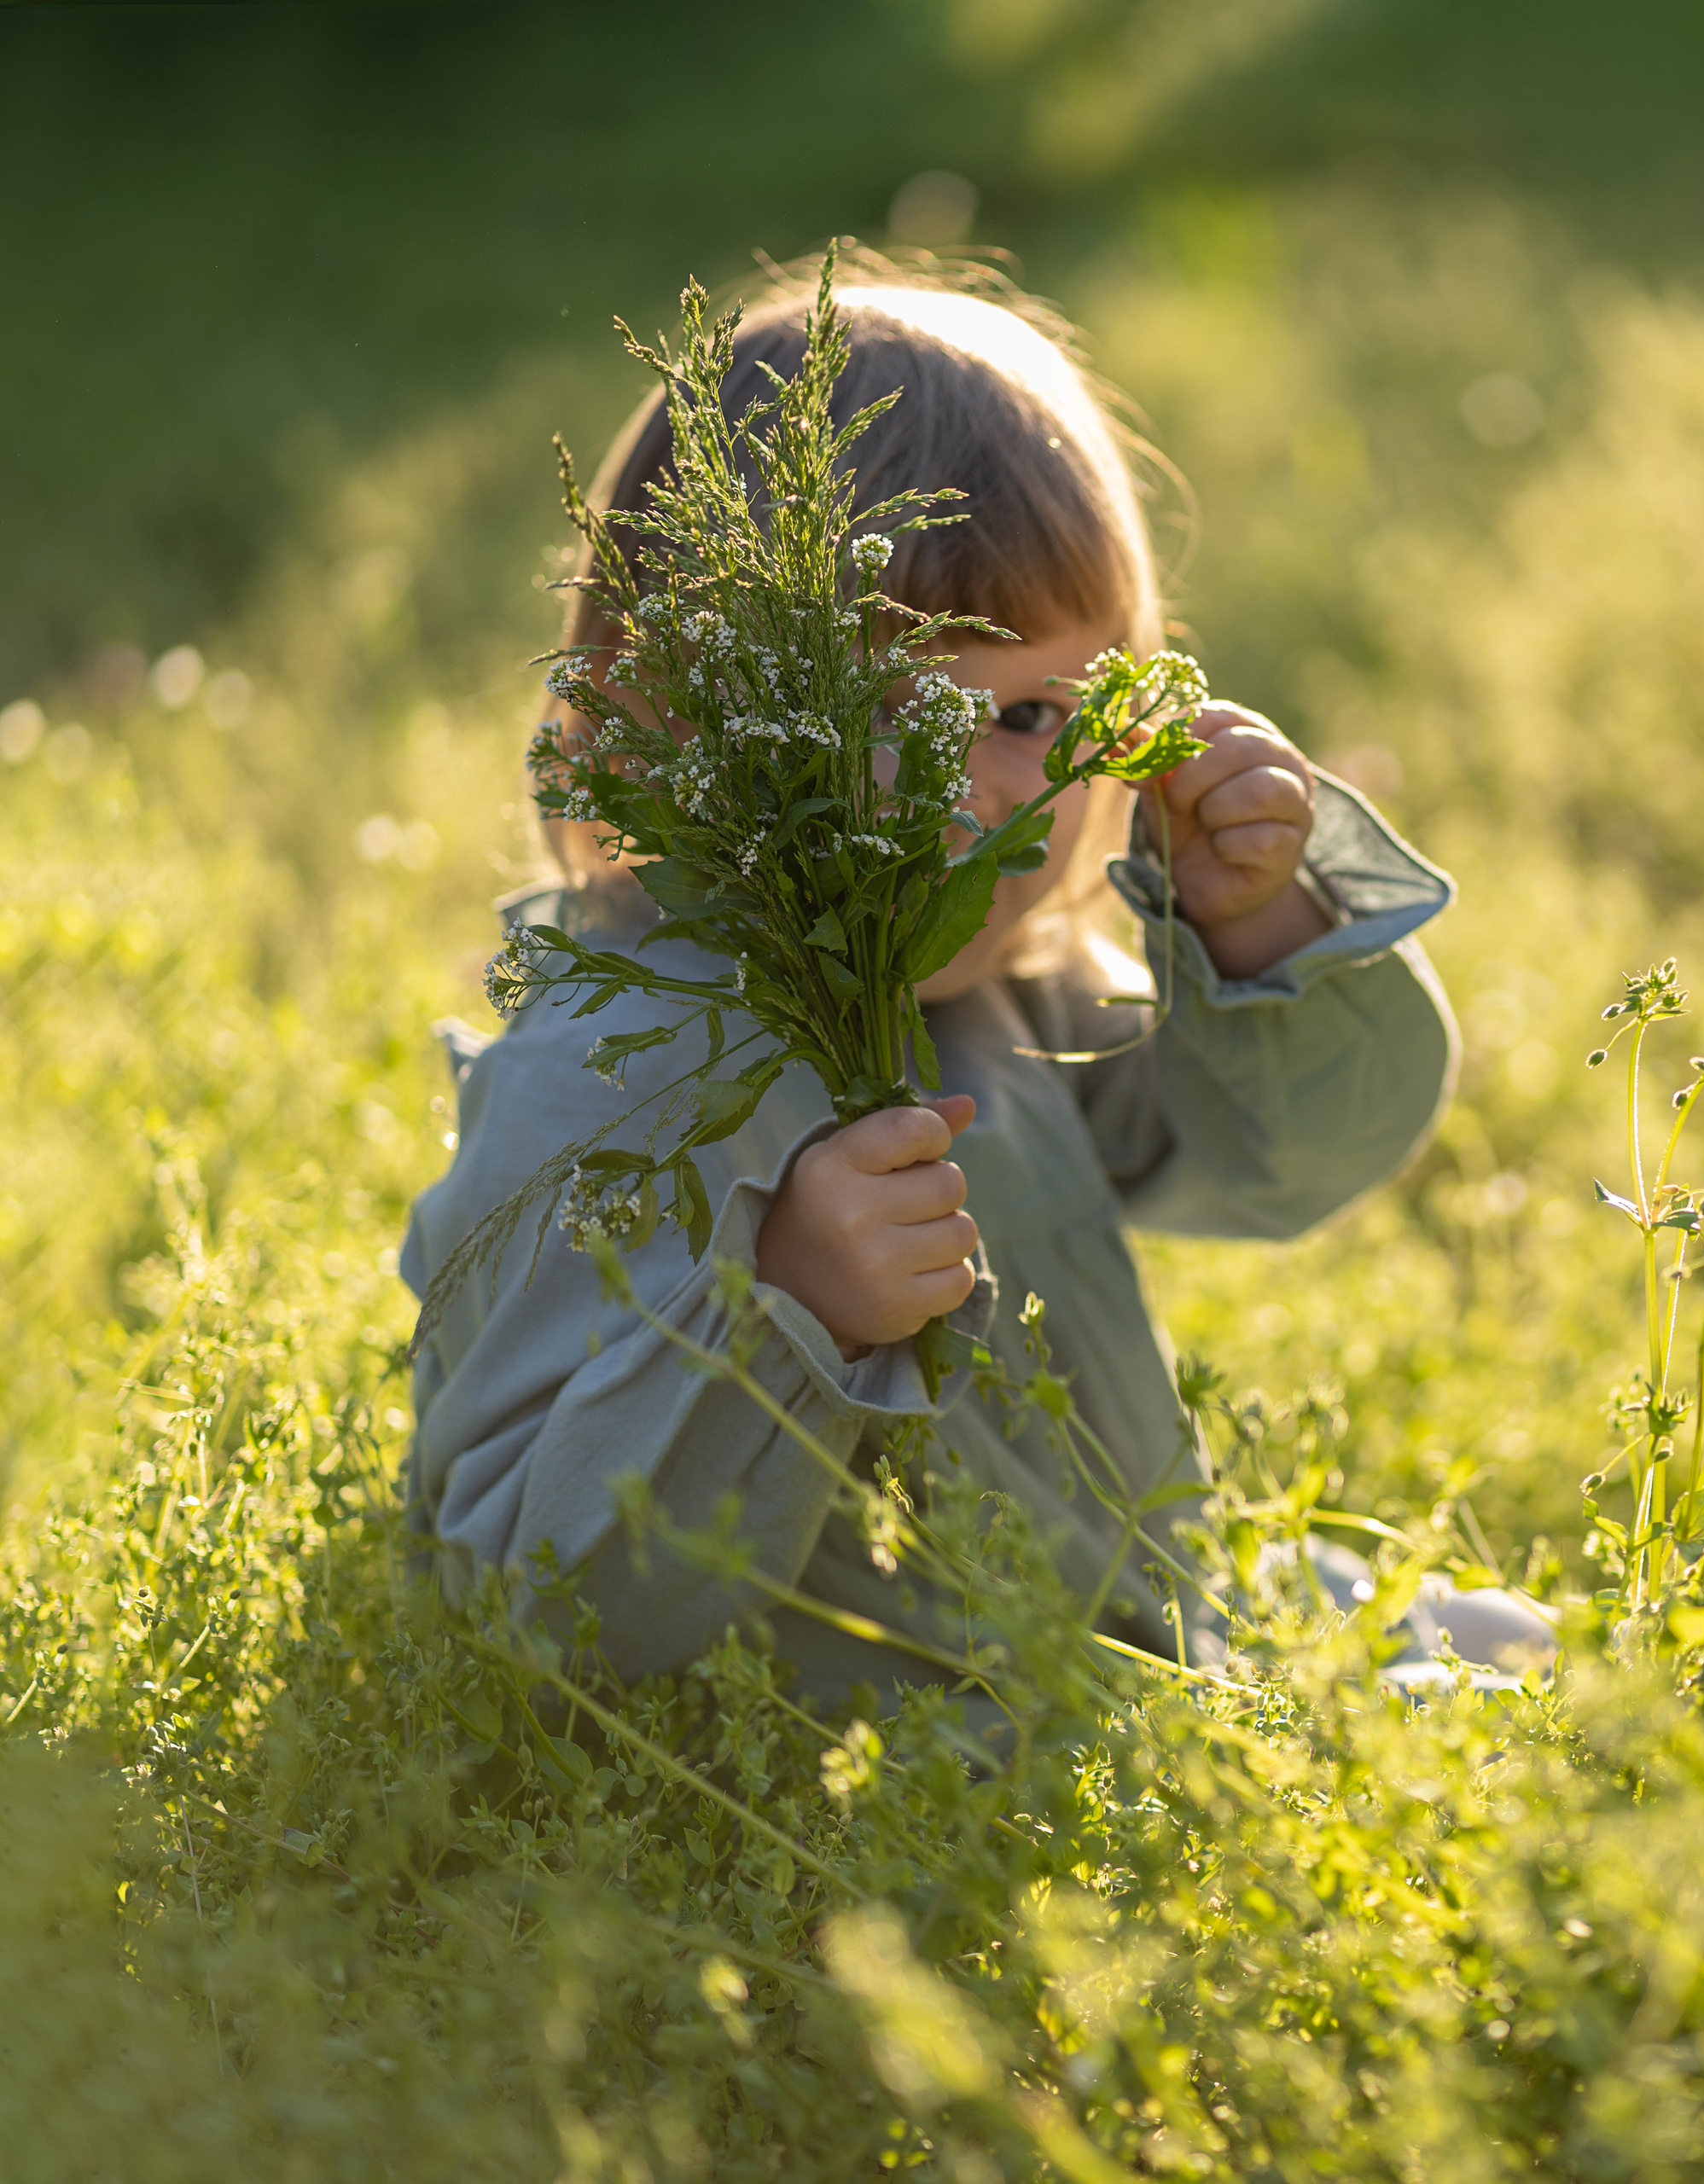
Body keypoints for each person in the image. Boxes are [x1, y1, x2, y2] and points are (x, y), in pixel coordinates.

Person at [401, 255, 1553, 1707]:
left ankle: (1226, 1670)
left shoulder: (1000, 996)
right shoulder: (622, 1070)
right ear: (657, 720)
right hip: (863, 1720)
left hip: (1101, 1599)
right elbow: (523, 1591)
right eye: (878, 706)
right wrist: (790, 1307)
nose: (964, 786)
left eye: (1027, 713)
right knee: (1468, 1715)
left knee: (1509, 1639)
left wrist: (1255, 924)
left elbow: (1280, 1164)